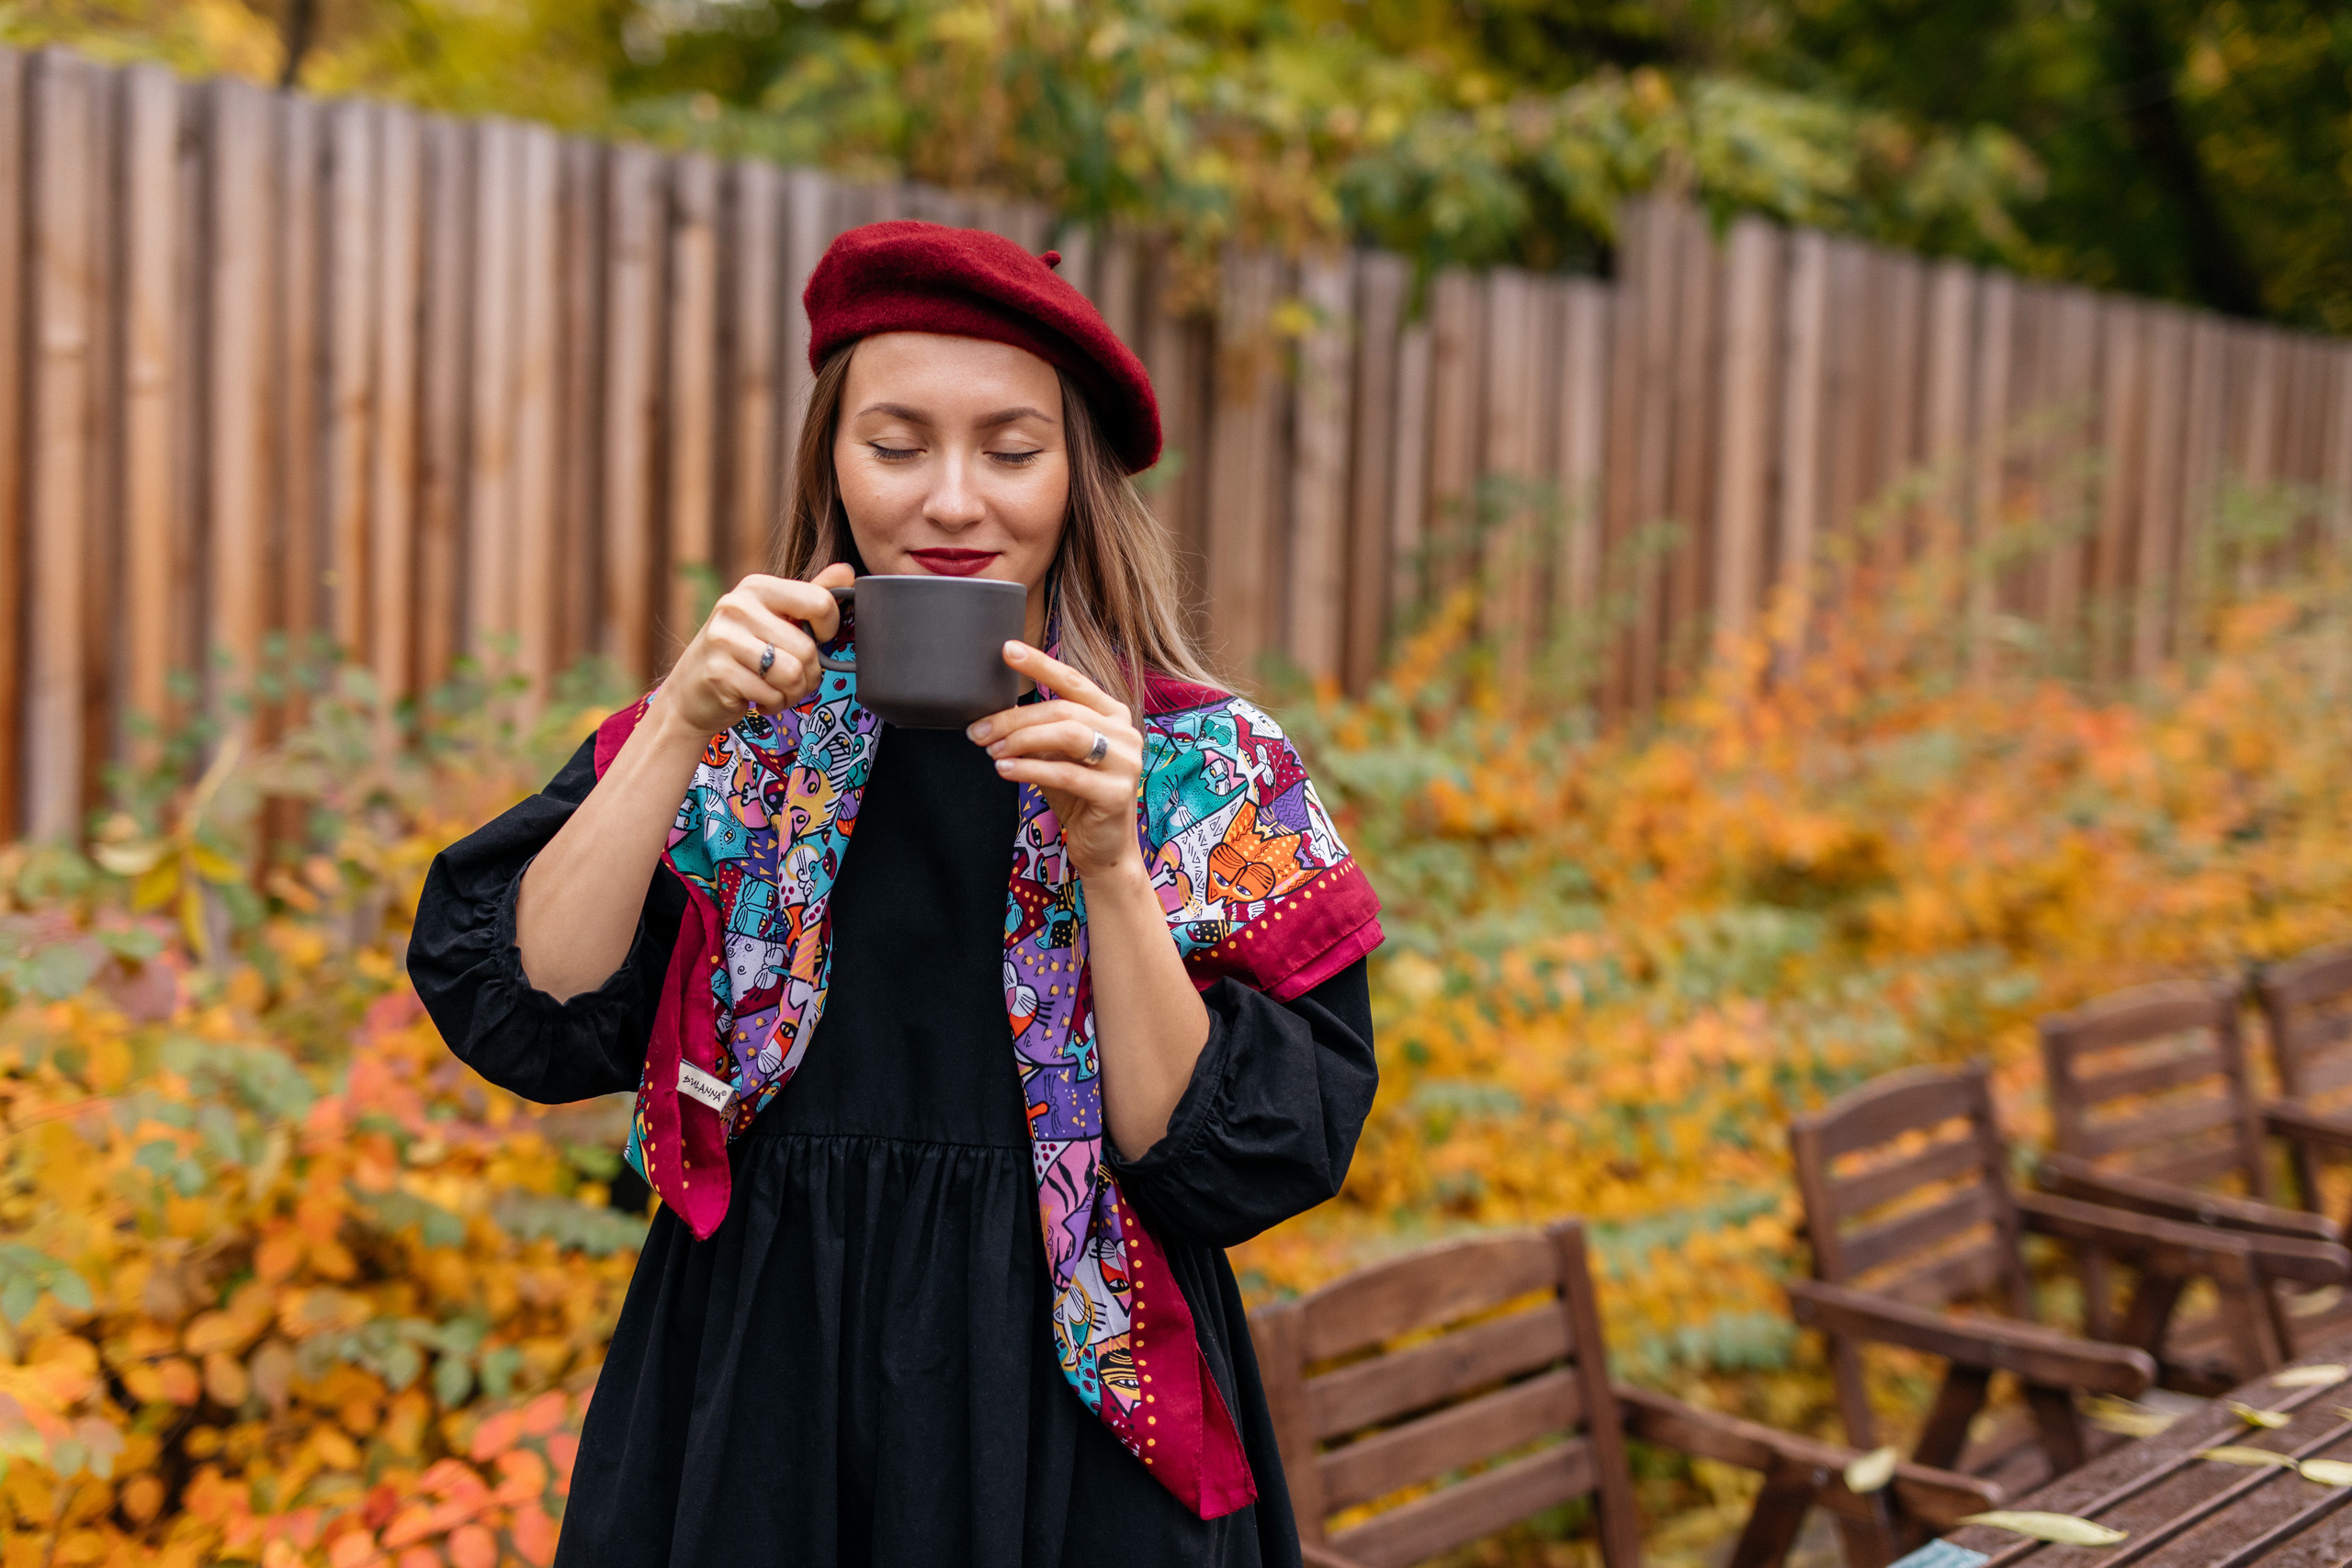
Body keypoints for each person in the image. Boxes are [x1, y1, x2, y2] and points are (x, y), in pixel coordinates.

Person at [408, 221, 1383, 1568]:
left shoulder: (1205, 765)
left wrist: (1110, 861)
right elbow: (532, 1010)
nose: (953, 500)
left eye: (1012, 449)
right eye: (898, 442)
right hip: (761, 1385)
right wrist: (678, 724)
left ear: (1078, 475)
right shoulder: (743, 732)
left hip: (1075, 1404)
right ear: (835, 462)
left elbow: (1222, 1166)